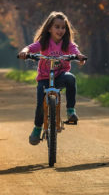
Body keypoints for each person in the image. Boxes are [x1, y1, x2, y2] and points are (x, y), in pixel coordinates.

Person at [18, 11, 87, 145]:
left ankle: (70, 110)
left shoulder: (67, 43)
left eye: (63, 27)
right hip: (44, 78)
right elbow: (31, 47)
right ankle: (38, 128)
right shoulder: (44, 42)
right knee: (40, 105)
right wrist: (25, 52)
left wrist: (79, 56)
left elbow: (75, 51)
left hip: (61, 76)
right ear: (49, 28)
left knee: (71, 78)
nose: (60, 30)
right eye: (57, 27)